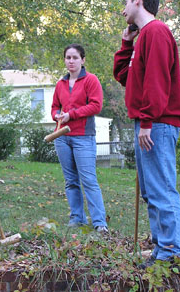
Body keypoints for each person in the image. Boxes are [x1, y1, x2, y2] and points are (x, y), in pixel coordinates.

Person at [113, 0, 180, 268]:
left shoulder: (157, 32)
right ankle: (161, 249)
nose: (123, 9)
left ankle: (171, 254)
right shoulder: (143, 37)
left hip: (157, 123)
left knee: (161, 189)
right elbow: (125, 76)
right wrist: (126, 43)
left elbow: (157, 81)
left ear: (139, 1)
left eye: (126, 2)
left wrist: (147, 121)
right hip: (147, 122)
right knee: (151, 191)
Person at [51, 44, 108, 233]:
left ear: (83, 60)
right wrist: (57, 115)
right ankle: (77, 218)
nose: (71, 61)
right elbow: (54, 107)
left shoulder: (91, 80)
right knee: (70, 181)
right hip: (62, 137)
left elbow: (95, 106)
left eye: (75, 57)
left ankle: (99, 222)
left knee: (89, 180)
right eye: (68, 57)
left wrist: (71, 115)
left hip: (83, 137)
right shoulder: (60, 83)